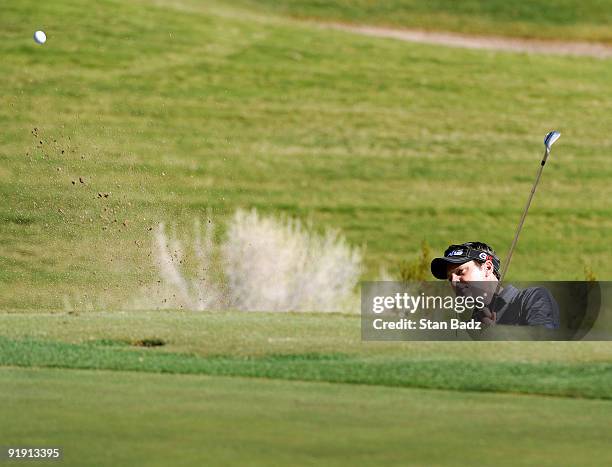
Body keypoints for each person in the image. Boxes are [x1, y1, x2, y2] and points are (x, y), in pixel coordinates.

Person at [430, 242, 560, 328]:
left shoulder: (532, 298)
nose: (454, 282)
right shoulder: (468, 327)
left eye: (460, 272)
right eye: (450, 278)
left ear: (487, 267)